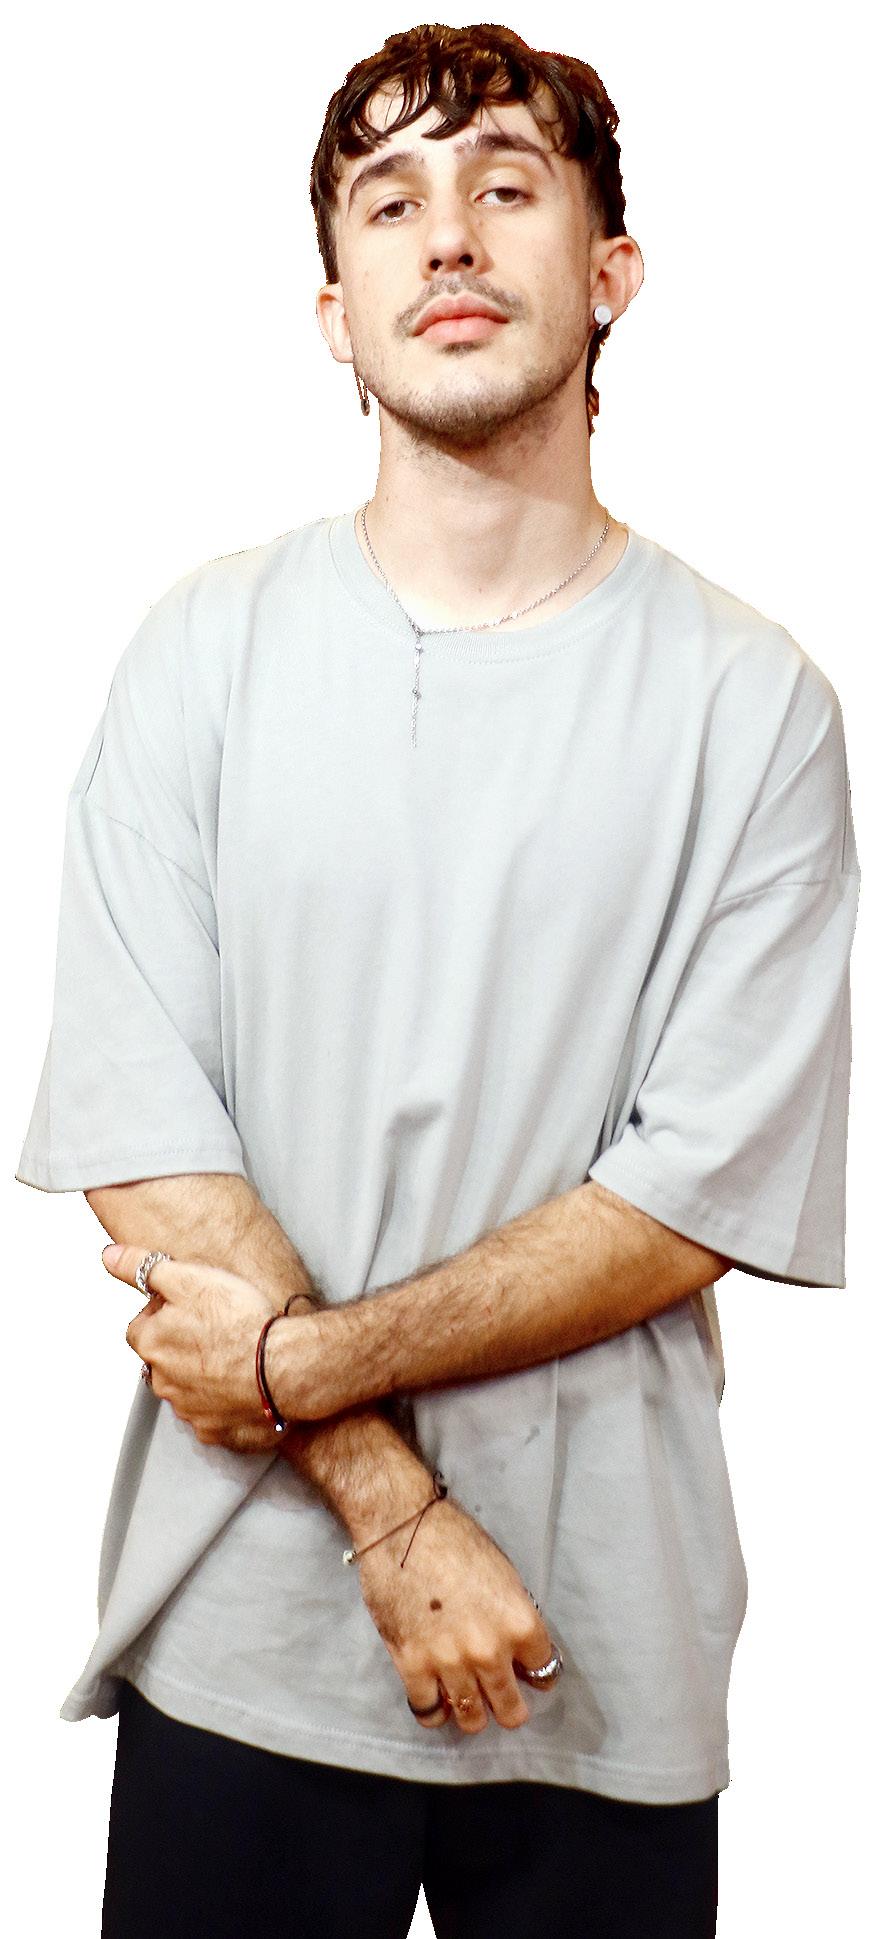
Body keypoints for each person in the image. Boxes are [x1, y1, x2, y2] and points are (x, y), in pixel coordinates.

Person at [14, 22, 860, 1939]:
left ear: (610, 273)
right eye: (389, 204)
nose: (448, 236)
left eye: (504, 186)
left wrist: (298, 1366)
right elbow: (144, 1132)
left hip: (597, 1645)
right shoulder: (199, 654)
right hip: (240, 1632)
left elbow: (685, 1200)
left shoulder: (754, 708)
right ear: (335, 310)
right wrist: (391, 1505)